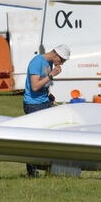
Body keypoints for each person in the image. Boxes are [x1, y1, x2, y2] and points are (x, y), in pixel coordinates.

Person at [22, 44, 71, 176]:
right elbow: (34, 86)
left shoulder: (49, 62)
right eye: (62, 60)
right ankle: (31, 172)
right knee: (34, 139)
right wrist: (51, 75)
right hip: (33, 104)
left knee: (50, 136)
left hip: (43, 102)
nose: (62, 63)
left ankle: (48, 167)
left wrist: (49, 96)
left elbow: (43, 86)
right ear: (56, 55)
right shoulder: (37, 62)